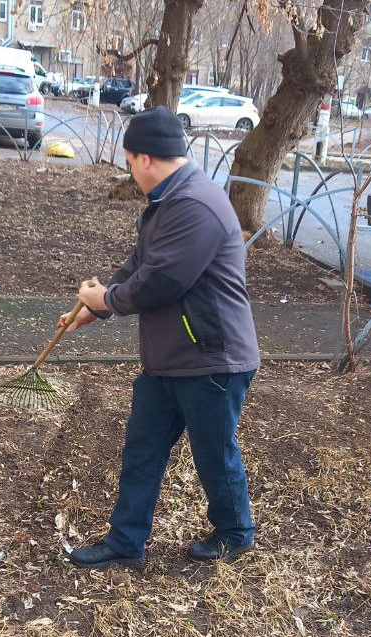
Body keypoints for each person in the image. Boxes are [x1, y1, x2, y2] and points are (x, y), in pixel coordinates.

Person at [60, 105, 261, 569]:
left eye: (130, 163)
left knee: (214, 453)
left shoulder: (195, 205)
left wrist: (107, 299)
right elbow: (139, 267)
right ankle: (126, 542)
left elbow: (161, 283)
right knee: (142, 449)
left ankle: (236, 532)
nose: (131, 174)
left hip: (213, 357)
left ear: (144, 159)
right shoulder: (167, 202)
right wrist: (97, 308)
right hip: (172, 356)